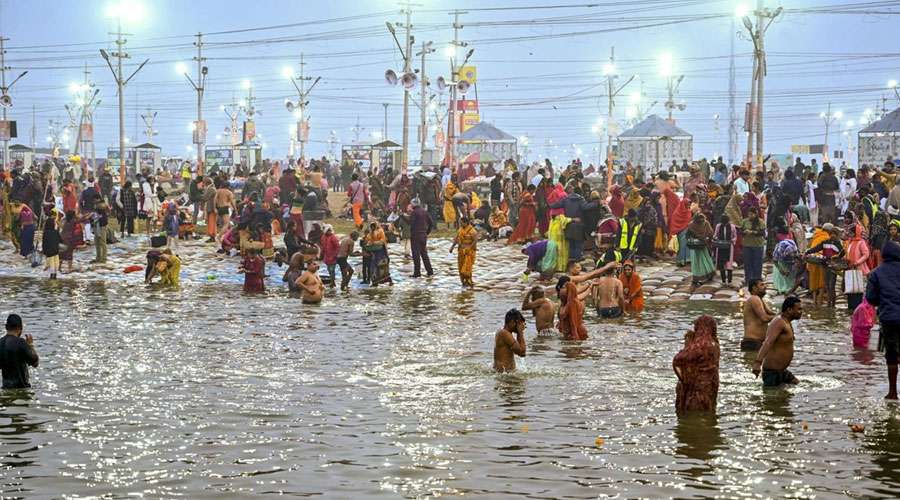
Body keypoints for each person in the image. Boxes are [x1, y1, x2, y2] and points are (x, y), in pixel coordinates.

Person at [865, 241, 900, 399]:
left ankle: (892, 392)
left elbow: (871, 299)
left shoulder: (875, 273)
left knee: (891, 354)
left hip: (889, 319)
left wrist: (884, 301)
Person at [673, 315, 719, 414]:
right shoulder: (715, 344)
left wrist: (683, 379)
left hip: (696, 391)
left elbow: (677, 360)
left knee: (693, 418)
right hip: (710, 388)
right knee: (708, 417)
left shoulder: (700, 345)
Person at [752, 296, 803, 387]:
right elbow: (768, 342)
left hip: (782, 371)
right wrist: (757, 363)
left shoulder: (787, 322)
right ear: (789, 310)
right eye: (798, 309)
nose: (801, 312)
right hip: (772, 373)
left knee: (798, 385)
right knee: (772, 400)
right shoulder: (779, 321)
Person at [0, 314, 39, 389]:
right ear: (20, 328)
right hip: (22, 390)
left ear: (6, 327)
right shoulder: (21, 342)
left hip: (6, 390)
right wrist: (30, 345)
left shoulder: (0, 343)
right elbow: (35, 363)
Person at [741, 279, 777, 351]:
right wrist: (780, 317)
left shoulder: (760, 300)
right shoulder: (754, 299)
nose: (765, 287)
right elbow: (764, 318)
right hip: (752, 342)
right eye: (762, 285)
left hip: (756, 342)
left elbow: (772, 314)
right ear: (754, 288)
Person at [493, 308, 527, 373]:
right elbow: (522, 353)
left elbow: (521, 352)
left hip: (505, 374)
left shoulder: (504, 332)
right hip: (505, 376)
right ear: (512, 322)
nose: (520, 326)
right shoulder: (504, 333)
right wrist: (520, 332)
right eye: (519, 323)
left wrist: (519, 331)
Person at [409, 198, 434, 278]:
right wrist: (427, 232)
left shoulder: (414, 213)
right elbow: (431, 223)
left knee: (416, 255)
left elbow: (411, 224)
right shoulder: (424, 212)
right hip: (423, 236)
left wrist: (402, 217)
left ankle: (417, 273)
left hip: (415, 236)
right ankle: (430, 271)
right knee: (424, 254)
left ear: (413, 204)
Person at [740, 209, 766, 284]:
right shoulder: (744, 221)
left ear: (755, 214)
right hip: (747, 245)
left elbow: (762, 233)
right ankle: (748, 279)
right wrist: (744, 232)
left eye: (752, 214)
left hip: (758, 245)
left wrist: (752, 232)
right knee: (747, 263)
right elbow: (740, 231)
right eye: (749, 214)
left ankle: (757, 279)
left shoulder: (760, 222)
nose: (750, 216)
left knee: (757, 263)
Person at [450, 217, 478, 287]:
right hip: (461, 251)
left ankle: (468, 281)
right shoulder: (460, 230)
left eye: (461, 222)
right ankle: (463, 282)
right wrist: (452, 247)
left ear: (466, 222)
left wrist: (469, 247)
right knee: (460, 267)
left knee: (466, 268)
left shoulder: (472, 231)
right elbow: (457, 238)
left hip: (469, 252)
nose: (460, 224)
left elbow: (475, 240)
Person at [712, 214, 737, 286]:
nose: (724, 224)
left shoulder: (732, 227)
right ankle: (723, 281)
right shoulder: (718, 226)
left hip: (729, 247)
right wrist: (715, 239)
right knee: (721, 264)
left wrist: (732, 240)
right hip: (720, 247)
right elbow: (715, 235)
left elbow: (735, 236)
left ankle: (729, 281)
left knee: (729, 265)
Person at [42, 215, 61, 279]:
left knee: (51, 264)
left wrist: (44, 251)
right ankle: (54, 276)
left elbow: (44, 243)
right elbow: (60, 240)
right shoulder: (56, 232)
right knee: (56, 264)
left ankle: (52, 277)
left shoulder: (45, 233)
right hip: (56, 251)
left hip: (49, 252)